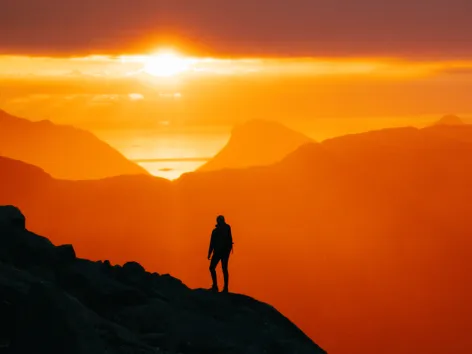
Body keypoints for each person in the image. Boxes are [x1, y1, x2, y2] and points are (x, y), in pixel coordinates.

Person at [208, 215, 233, 293]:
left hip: (222, 252)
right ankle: (218, 286)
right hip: (221, 252)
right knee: (217, 268)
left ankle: (221, 287)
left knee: (220, 268)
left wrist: (209, 253)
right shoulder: (218, 230)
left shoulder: (222, 229)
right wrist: (209, 253)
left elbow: (230, 239)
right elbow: (212, 243)